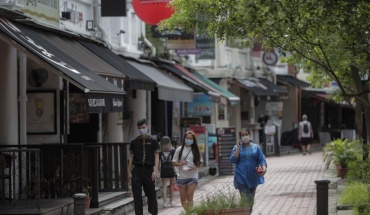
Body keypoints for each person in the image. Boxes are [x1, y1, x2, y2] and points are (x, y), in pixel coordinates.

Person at [230, 128, 267, 213]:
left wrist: (264, 168)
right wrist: (238, 149)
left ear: (249, 135)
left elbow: (262, 160)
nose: (245, 136)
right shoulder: (236, 147)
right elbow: (232, 160)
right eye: (242, 135)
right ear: (240, 137)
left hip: (253, 177)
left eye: (246, 134)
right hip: (241, 177)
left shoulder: (256, 147)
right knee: (245, 199)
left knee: (251, 199)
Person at [127, 119, 160, 215]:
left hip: (149, 170)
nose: (142, 130)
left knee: (151, 194)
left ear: (147, 127)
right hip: (137, 170)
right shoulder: (134, 142)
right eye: (140, 128)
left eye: (144, 128)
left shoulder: (154, 141)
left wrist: (155, 171)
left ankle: (153, 212)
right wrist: (129, 172)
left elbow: (157, 156)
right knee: (137, 195)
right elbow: (131, 157)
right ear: (138, 129)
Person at [172, 130, 203, 210]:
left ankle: (190, 212)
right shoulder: (179, 149)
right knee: (183, 201)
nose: (188, 140)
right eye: (187, 138)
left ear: (193, 140)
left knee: (189, 195)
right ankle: (189, 212)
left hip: (193, 176)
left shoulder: (196, 150)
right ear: (184, 139)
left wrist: (195, 167)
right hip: (182, 177)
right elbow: (173, 162)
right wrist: (180, 164)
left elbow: (200, 163)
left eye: (190, 138)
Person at [159, 136, 176, 208]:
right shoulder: (173, 150)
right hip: (171, 168)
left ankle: (164, 202)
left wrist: (159, 169)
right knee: (172, 185)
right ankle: (171, 201)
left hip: (163, 169)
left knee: (164, 186)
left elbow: (159, 162)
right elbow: (174, 161)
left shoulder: (160, 151)